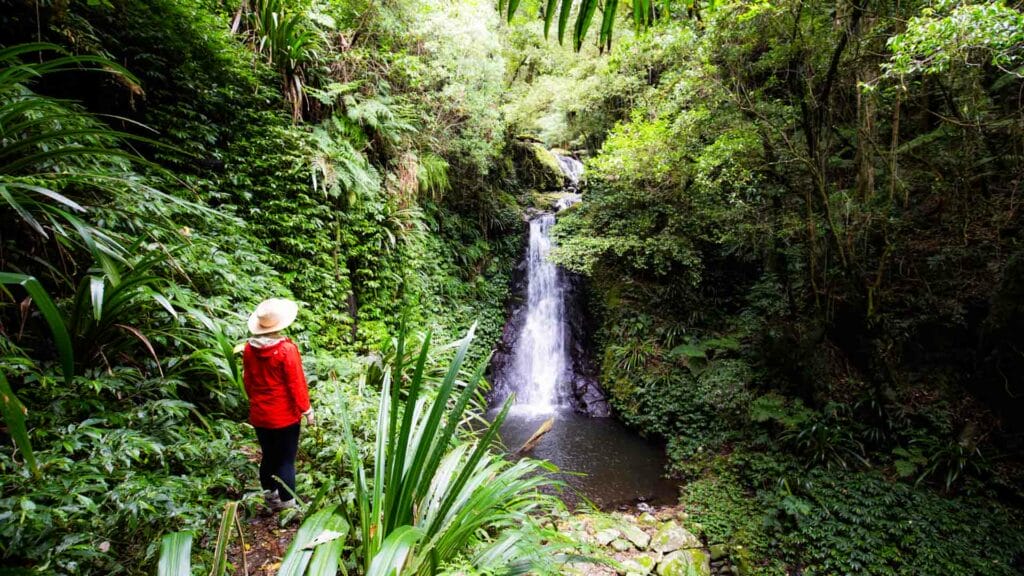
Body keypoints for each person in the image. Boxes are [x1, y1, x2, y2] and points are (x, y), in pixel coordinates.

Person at [243, 298, 314, 511]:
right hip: (284, 416)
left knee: (269, 456)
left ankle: (271, 498)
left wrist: (256, 402)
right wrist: (307, 410)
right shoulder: (286, 350)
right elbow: (296, 384)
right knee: (285, 460)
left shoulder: (249, 348)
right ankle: (289, 505)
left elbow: (248, 381)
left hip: (260, 415)